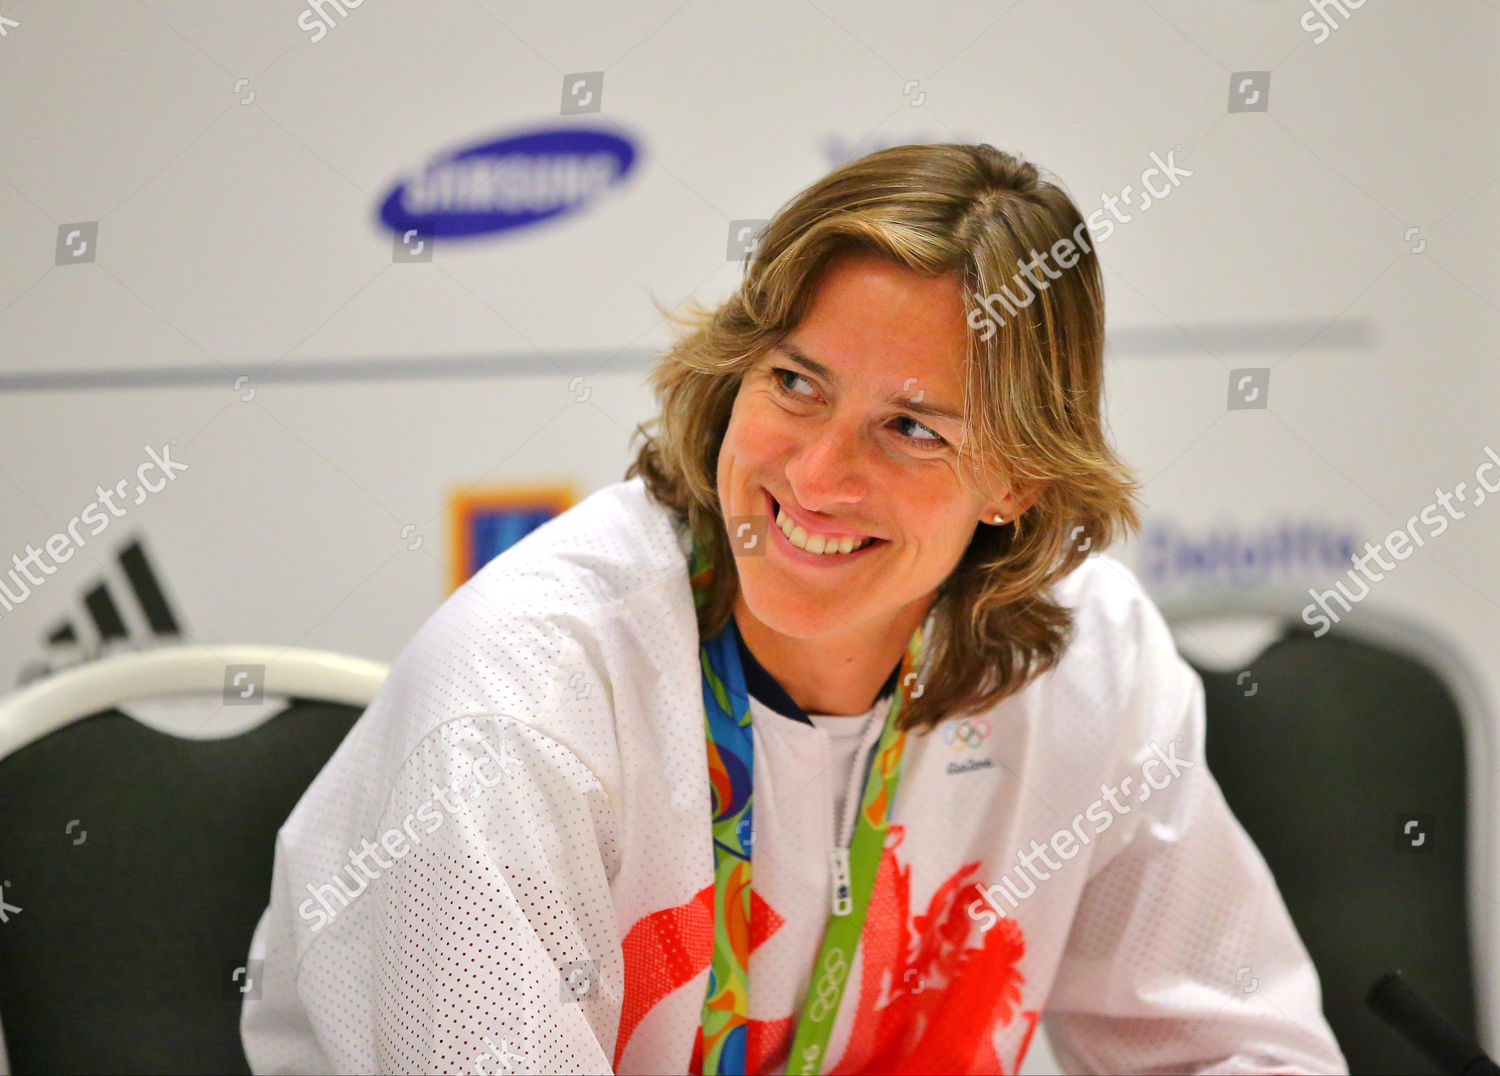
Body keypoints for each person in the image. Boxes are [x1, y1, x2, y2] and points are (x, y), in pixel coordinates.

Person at [240, 143, 1347, 1075]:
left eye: (913, 428)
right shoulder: (514, 704)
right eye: (796, 383)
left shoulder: (1086, 657)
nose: (817, 476)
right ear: (733, 376)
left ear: (1018, 483)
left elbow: (1247, 1048)